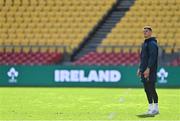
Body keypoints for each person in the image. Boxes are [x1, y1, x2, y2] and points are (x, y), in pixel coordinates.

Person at [137, 26, 159, 115]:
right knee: (146, 89)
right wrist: (140, 68)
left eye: (146, 31)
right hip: (144, 70)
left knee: (151, 88)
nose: (144, 33)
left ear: (150, 32)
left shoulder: (152, 44)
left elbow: (152, 57)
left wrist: (148, 68)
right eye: (144, 31)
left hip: (150, 70)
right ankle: (150, 107)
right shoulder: (145, 43)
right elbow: (143, 58)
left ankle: (156, 108)